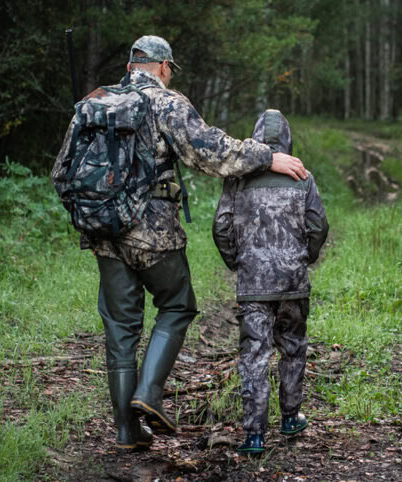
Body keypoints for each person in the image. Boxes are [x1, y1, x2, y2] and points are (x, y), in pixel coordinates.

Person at [52, 35, 308, 451]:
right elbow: (210, 152)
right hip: (154, 234)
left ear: (132, 64)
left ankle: (126, 432)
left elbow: (61, 174)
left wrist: (93, 214)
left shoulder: (93, 103)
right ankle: (148, 395)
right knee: (177, 304)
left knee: (120, 330)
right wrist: (266, 156)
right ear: (164, 67)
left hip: (102, 236)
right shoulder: (166, 103)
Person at [212, 109, 329, 455]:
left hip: (253, 284)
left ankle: (255, 436)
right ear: (288, 139)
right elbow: (318, 225)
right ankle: (291, 417)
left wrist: (238, 261)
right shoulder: (301, 176)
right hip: (292, 281)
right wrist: (304, 256)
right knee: (292, 346)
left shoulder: (237, 179)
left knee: (255, 355)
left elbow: (221, 227)